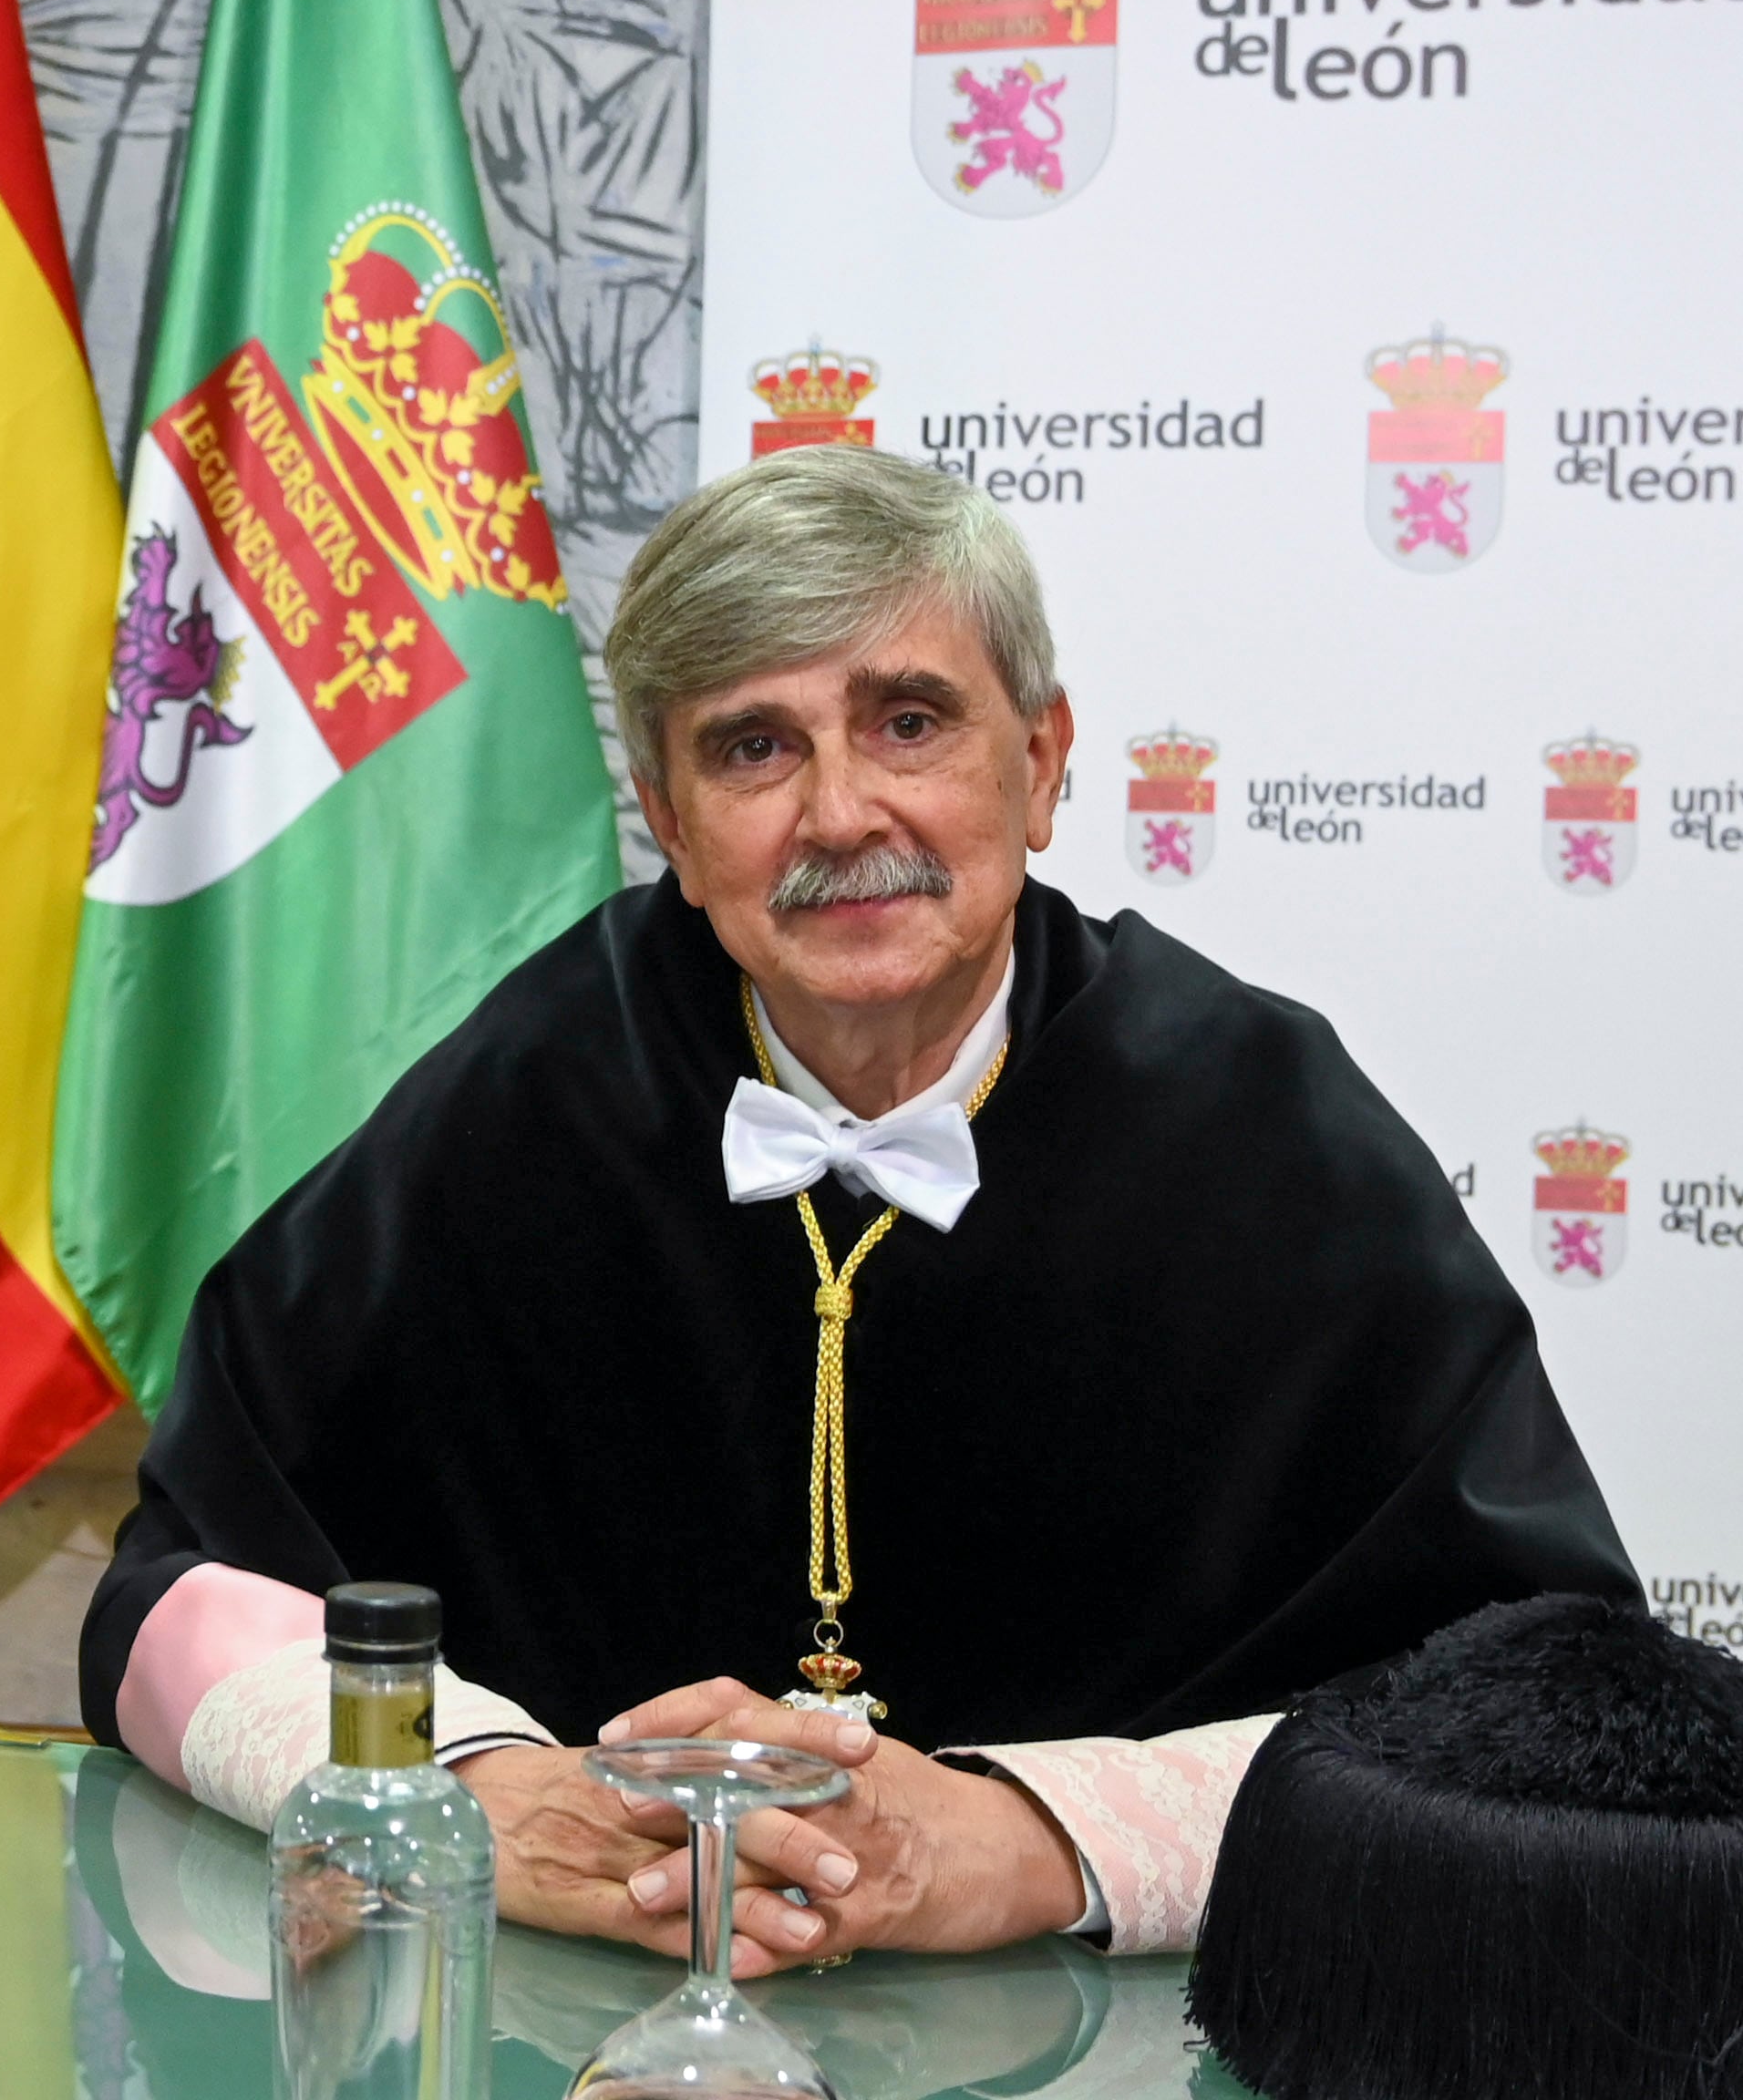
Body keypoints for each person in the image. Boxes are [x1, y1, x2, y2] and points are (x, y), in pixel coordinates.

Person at [79, 446, 1636, 1968]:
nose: (839, 815)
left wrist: (1034, 1844)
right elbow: (186, 1587)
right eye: (753, 748)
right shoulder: (537, 1084)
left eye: (908, 723)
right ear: (673, 828)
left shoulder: (1264, 1131)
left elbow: (1553, 1715)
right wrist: (476, 1793)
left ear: (1039, 763)